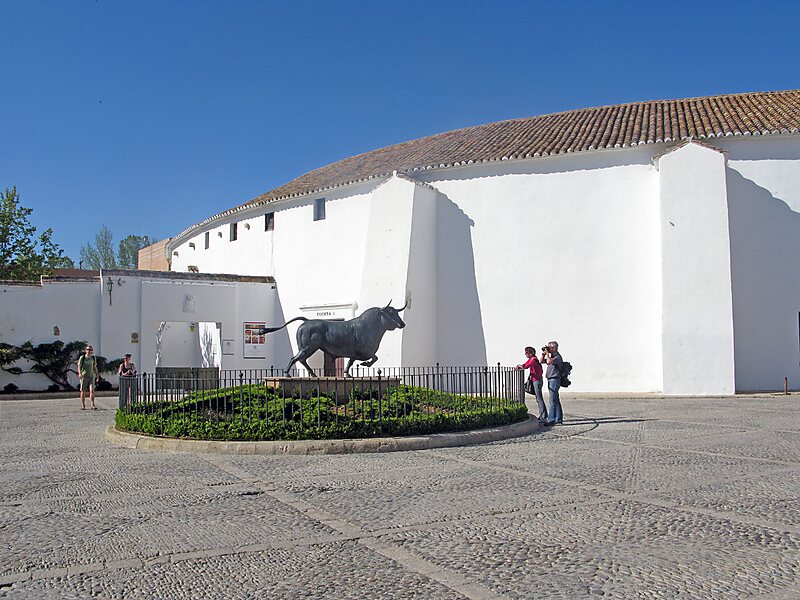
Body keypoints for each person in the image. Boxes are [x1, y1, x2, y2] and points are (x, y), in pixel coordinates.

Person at [515, 346, 546, 422]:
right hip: (535, 380)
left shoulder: (533, 360)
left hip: (537, 380)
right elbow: (525, 364)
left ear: (530, 353)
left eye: (526, 353)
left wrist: (519, 366)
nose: (525, 355)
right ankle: (543, 414)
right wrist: (520, 366)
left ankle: (543, 416)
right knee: (538, 398)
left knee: (539, 398)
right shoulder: (531, 359)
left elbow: (525, 366)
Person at [541, 341, 564, 425]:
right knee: (556, 400)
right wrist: (544, 354)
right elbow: (541, 361)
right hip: (551, 379)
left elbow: (549, 362)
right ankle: (558, 418)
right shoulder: (552, 356)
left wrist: (547, 354)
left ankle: (551, 419)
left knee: (552, 400)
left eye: (550, 347)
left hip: (555, 379)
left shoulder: (557, 357)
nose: (548, 349)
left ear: (554, 348)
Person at [77, 345, 99, 410]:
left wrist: (97, 375)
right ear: (85, 350)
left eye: (90, 350)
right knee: (83, 391)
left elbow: (94, 367)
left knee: (92, 390)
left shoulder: (93, 358)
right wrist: (80, 373)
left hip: (91, 376)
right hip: (84, 376)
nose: (89, 351)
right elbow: (79, 366)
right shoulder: (82, 357)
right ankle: (83, 405)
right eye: (88, 349)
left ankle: (92, 405)